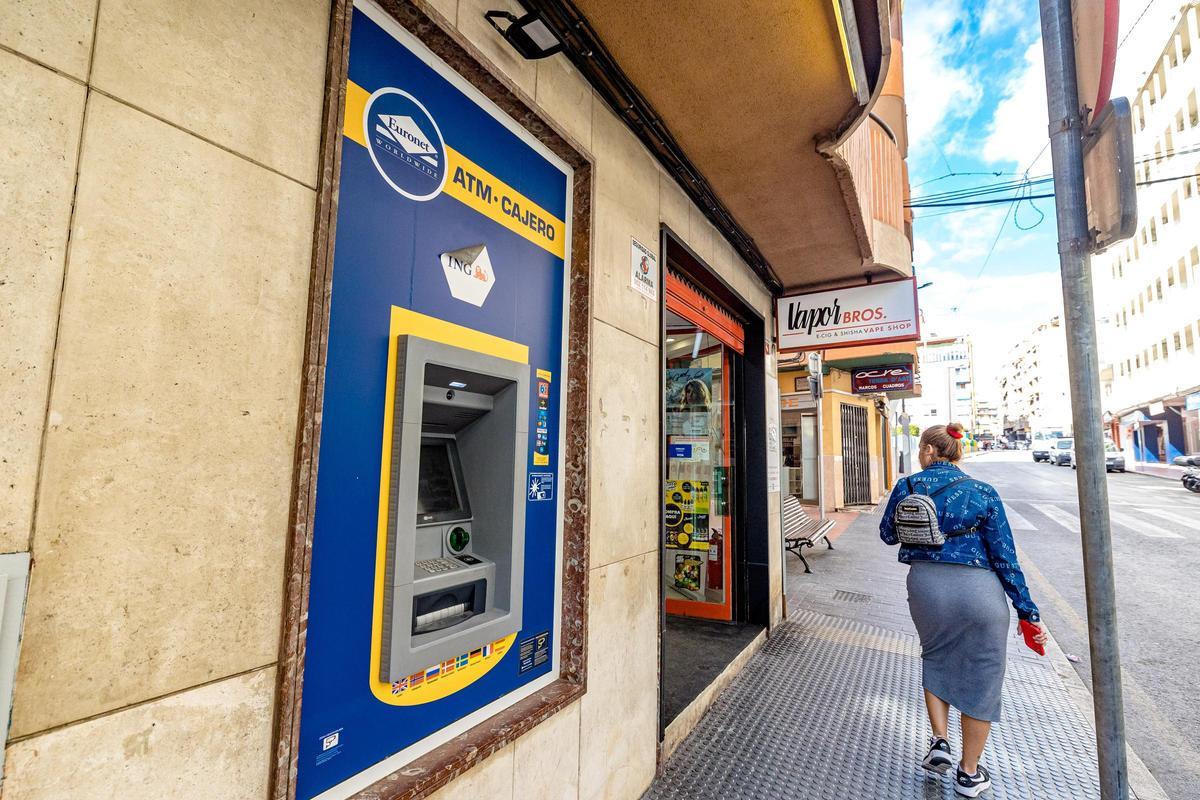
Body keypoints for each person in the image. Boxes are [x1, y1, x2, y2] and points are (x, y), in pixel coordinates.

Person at [879, 422, 1049, 798]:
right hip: (977, 590)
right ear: (954, 452)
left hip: (925, 587)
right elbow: (1005, 557)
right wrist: (1027, 611)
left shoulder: (907, 487)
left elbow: (888, 535)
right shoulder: (983, 492)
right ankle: (969, 773)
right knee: (983, 674)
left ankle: (939, 740)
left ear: (928, 451)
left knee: (935, 656)